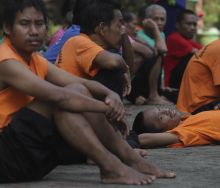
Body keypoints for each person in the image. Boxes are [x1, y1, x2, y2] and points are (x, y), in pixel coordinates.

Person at [0, 0, 175, 184]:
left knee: (77, 90)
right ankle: (112, 166)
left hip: (30, 153)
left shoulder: (35, 59)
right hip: (7, 157)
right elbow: (58, 96)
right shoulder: (6, 61)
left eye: (39, 24)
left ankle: (130, 160)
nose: (34, 31)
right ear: (7, 27)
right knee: (61, 100)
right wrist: (108, 108)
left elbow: (81, 84)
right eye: (25, 24)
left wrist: (111, 95)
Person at [55, 0, 131, 98]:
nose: (123, 29)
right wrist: (125, 70)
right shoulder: (79, 41)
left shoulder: (96, 47)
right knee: (114, 73)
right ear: (102, 28)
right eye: (119, 24)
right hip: (69, 100)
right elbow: (114, 62)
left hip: (76, 99)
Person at [127, 4, 172, 105]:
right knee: (157, 55)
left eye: (162, 19)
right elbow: (162, 50)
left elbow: (160, 66)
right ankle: (152, 96)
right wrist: (155, 29)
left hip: (153, 84)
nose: (159, 23)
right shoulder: (139, 36)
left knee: (175, 95)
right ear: (146, 21)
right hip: (137, 84)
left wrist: (163, 85)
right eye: (155, 19)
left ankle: (156, 93)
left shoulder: (161, 35)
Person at [132, 106, 220, 148]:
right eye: (161, 117)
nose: (165, 111)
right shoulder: (185, 132)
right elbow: (142, 139)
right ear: (162, 133)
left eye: (160, 109)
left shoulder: (186, 119)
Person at [163, 9, 202, 89]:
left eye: (194, 24)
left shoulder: (190, 42)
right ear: (178, 25)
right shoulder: (173, 38)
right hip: (171, 84)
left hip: (183, 81)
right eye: (188, 24)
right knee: (195, 57)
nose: (192, 27)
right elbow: (199, 53)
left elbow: (208, 51)